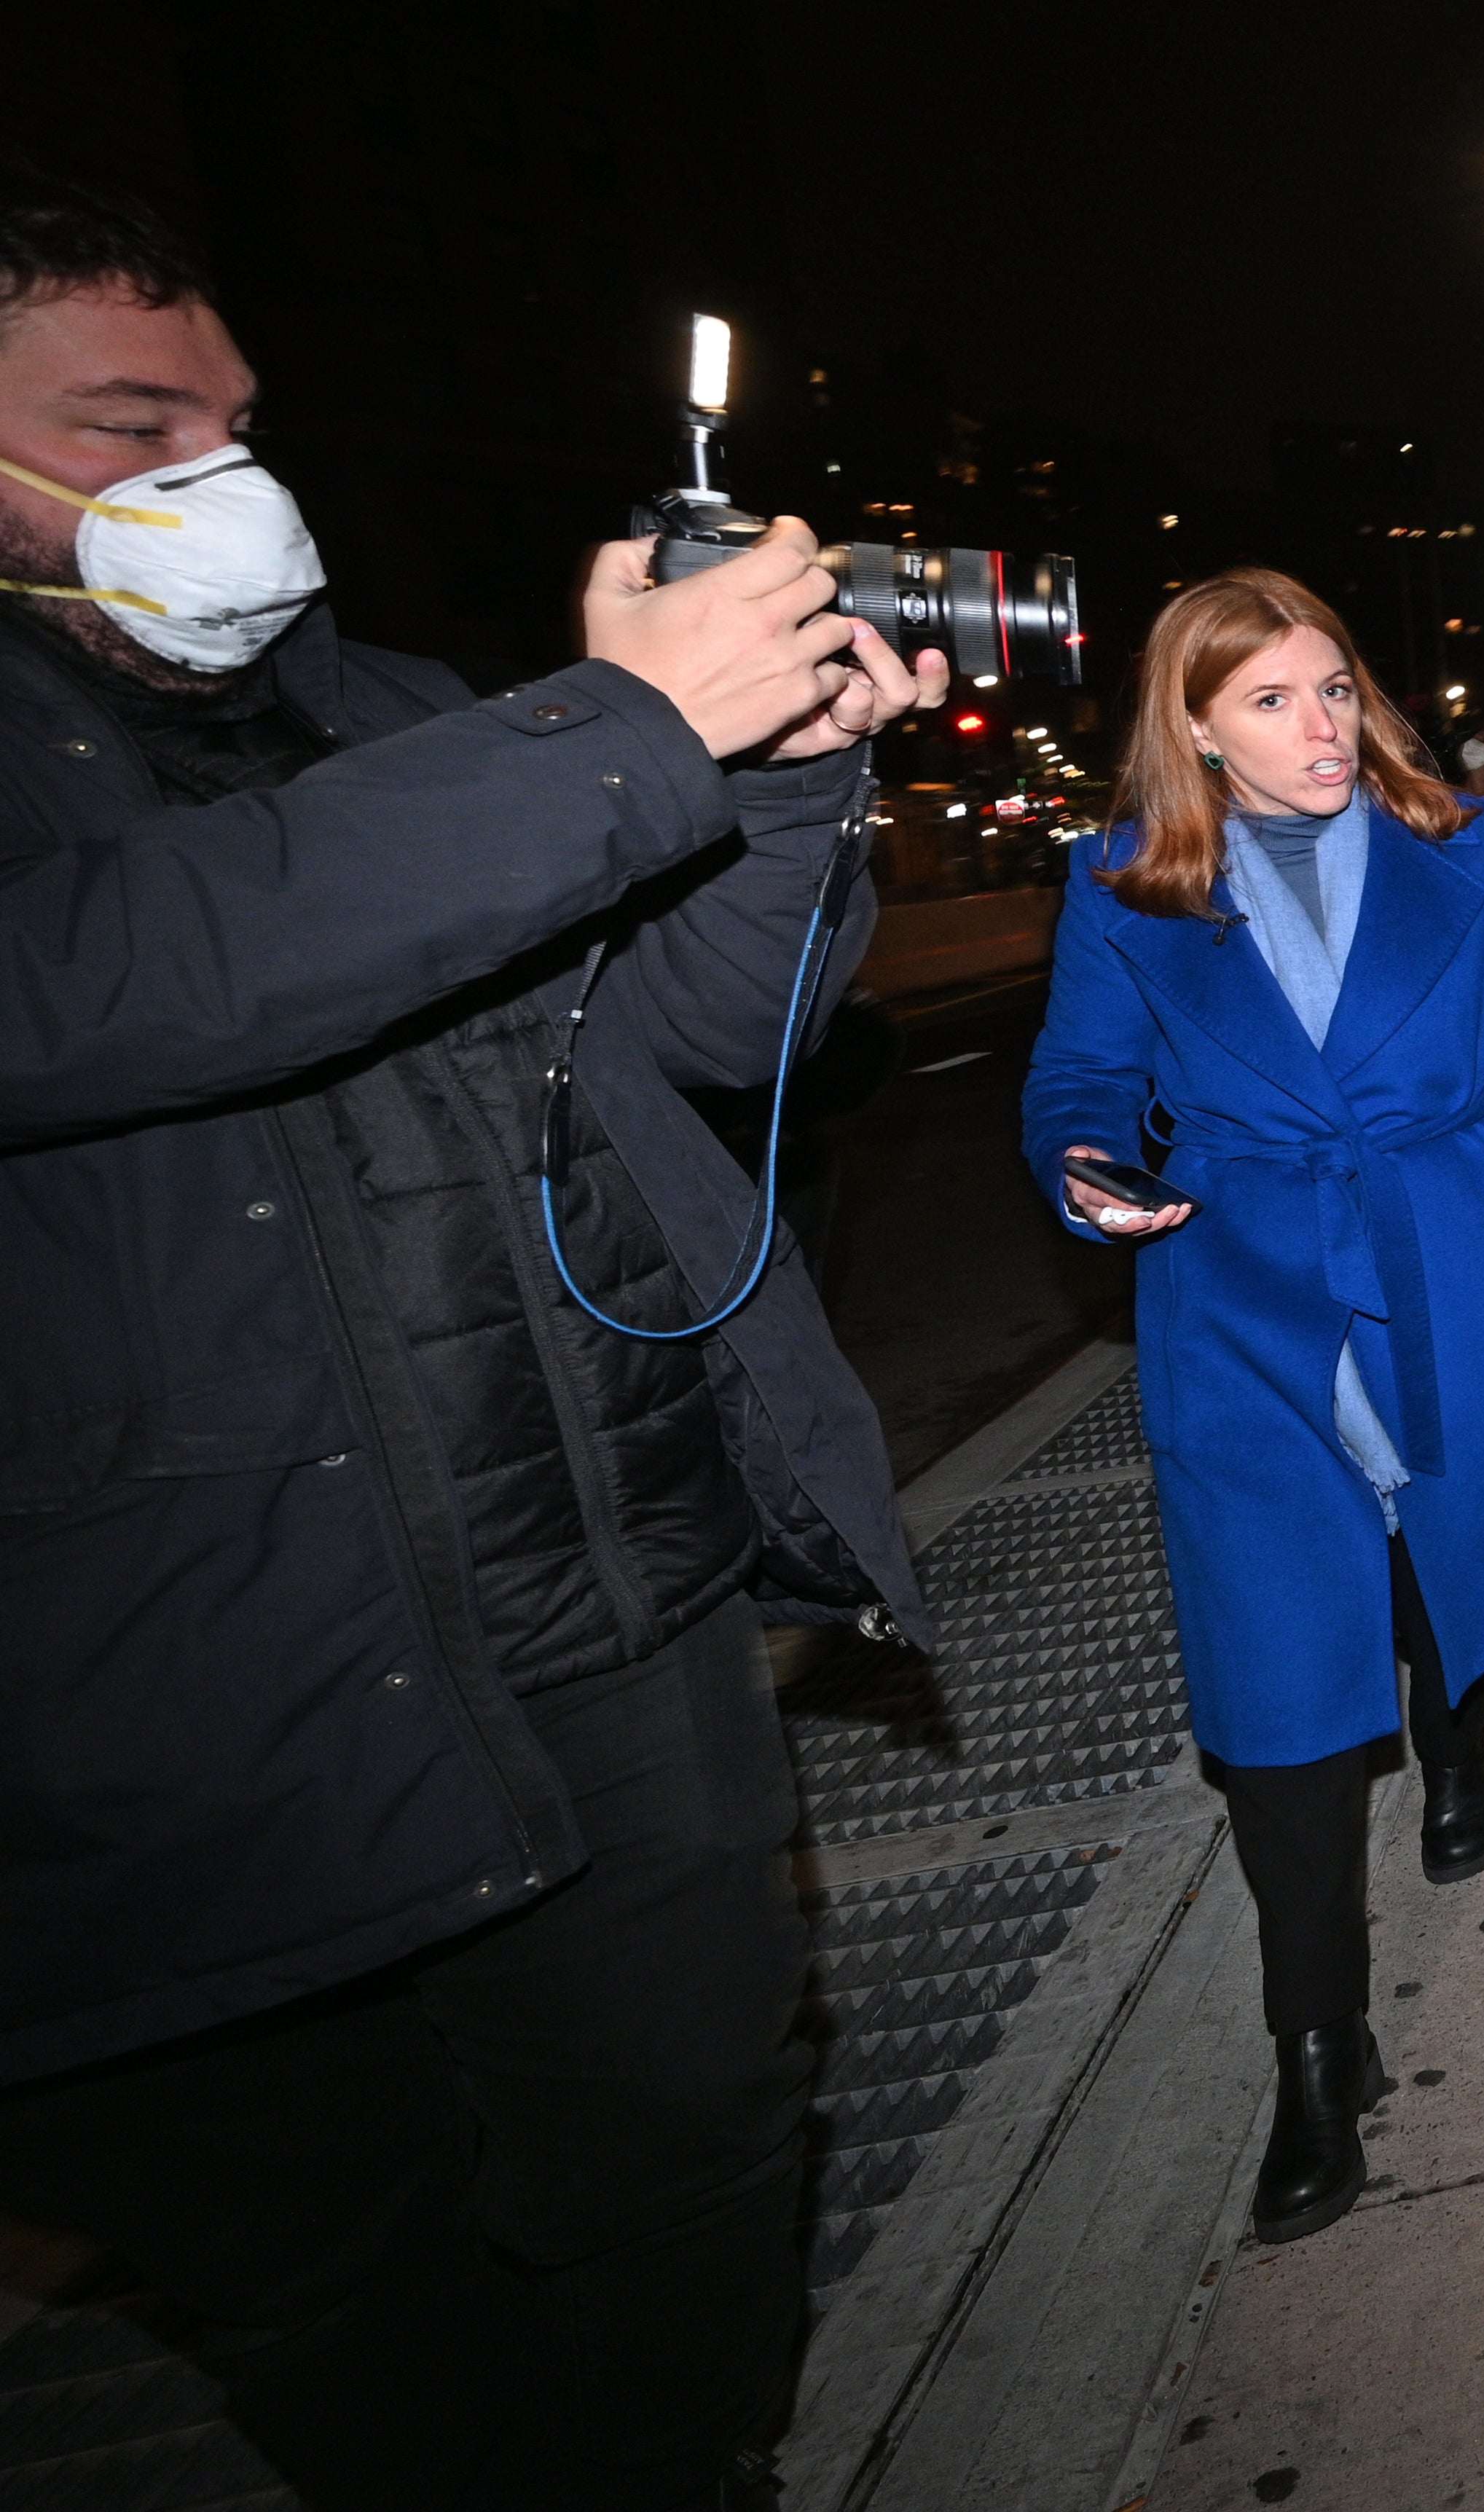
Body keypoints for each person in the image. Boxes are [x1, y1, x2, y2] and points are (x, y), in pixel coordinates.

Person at [0, 174, 942, 2508]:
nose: (216, 478)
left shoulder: (404, 720)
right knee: (354, 2277)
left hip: (588, 1609)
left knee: (703, 2143)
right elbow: (129, 972)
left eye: (234, 420)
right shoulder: (503, 752)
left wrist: (792, 773)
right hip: (183, 1718)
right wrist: (622, 727)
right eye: (131, 427)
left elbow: (712, 1026)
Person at [1020, 568, 1484, 2243]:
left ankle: (1451, 1739)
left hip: (1437, 1259)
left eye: (1330, 686)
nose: (1317, 727)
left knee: (1430, 1544)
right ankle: (1318, 2049)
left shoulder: (1453, 840)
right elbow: (1081, 1083)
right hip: (1237, 1300)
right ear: (1193, 726)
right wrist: (1087, 1174)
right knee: (1276, 1678)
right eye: (1269, 702)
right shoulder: (1117, 885)